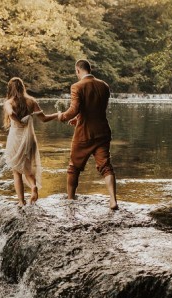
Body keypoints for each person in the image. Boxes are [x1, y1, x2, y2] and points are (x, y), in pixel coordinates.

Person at [58, 59, 118, 210]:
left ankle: (70, 200)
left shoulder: (77, 86)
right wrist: (78, 118)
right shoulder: (104, 85)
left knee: (74, 167)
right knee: (106, 166)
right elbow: (96, 108)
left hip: (84, 133)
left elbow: (74, 109)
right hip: (103, 131)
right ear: (89, 69)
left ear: (78, 70)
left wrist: (63, 117)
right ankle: (113, 200)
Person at [3, 77, 58, 206]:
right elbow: (44, 119)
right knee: (28, 168)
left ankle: (21, 202)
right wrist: (57, 114)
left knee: (16, 171)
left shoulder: (9, 102)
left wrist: (19, 121)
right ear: (23, 87)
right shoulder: (31, 101)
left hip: (16, 138)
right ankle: (33, 186)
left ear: (10, 89)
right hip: (29, 139)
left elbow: (11, 114)